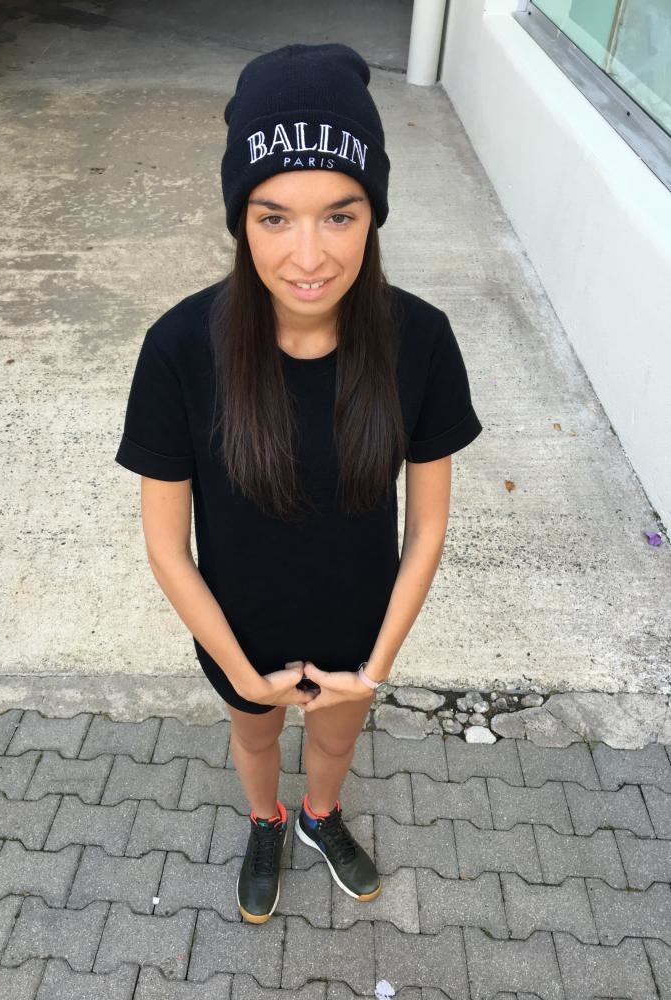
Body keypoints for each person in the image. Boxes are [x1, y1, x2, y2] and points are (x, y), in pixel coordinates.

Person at [115, 43, 483, 924]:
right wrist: (244, 672)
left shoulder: (422, 341)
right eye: (275, 216)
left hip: (359, 635)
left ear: (373, 214)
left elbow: (428, 527)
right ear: (240, 218)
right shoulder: (178, 349)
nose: (308, 255)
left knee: (335, 743)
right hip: (240, 635)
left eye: (339, 215)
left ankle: (320, 814)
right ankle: (267, 820)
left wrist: (375, 668)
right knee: (254, 741)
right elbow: (166, 545)